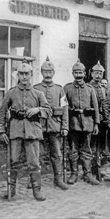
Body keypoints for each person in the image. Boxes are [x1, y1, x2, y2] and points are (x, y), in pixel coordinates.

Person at [0, 60, 52, 201]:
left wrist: (37, 109)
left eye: (26, 74)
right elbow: (2, 112)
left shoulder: (38, 94)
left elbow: (48, 111)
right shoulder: (11, 93)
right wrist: (2, 131)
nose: (24, 77)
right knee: (13, 161)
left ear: (31, 74)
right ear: (17, 75)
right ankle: (11, 190)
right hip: (15, 131)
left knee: (33, 163)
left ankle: (37, 191)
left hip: (32, 132)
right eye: (21, 74)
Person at [33, 57, 69, 190]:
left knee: (57, 154)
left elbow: (65, 109)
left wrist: (65, 126)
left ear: (54, 73)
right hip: (39, 126)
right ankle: (35, 180)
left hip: (55, 126)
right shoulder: (35, 89)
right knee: (37, 154)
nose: (47, 74)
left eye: (50, 71)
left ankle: (58, 179)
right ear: (41, 72)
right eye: (45, 71)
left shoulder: (60, 89)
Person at [63, 59, 100, 185]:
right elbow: (63, 107)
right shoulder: (67, 88)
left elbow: (95, 108)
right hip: (73, 123)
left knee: (87, 149)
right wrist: (65, 125)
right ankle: (74, 173)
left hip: (88, 123)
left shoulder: (90, 89)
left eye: (81, 72)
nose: (78, 75)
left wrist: (96, 124)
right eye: (76, 72)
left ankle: (87, 174)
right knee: (73, 149)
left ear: (85, 73)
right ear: (72, 74)